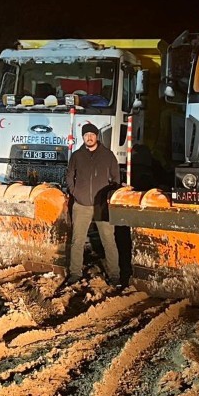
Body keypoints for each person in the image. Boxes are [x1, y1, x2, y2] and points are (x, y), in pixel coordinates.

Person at [65, 122, 121, 284]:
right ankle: (75, 273)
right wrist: (74, 192)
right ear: (82, 138)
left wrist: (110, 195)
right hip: (81, 205)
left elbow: (116, 177)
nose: (89, 138)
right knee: (77, 240)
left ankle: (114, 275)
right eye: (86, 135)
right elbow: (70, 175)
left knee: (109, 241)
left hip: (102, 205)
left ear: (97, 136)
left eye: (92, 135)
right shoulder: (76, 155)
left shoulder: (108, 155)